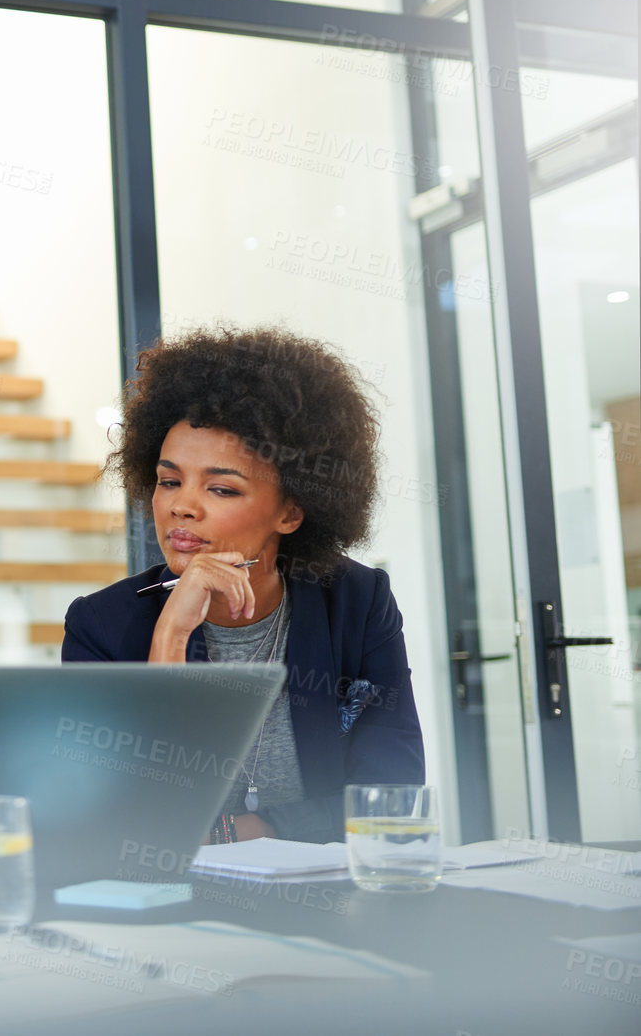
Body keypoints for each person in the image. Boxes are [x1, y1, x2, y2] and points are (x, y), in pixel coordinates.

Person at [62, 327, 424, 844]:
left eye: (221, 487)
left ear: (292, 511)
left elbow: (391, 796)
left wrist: (238, 832)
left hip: (328, 895)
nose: (182, 506)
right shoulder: (102, 625)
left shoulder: (357, 602)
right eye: (169, 481)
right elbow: (122, 821)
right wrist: (170, 638)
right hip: (172, 904)